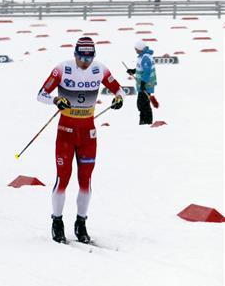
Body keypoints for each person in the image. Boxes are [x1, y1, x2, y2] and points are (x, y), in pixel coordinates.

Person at [37, 36, 125, 244]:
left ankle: (81, 223)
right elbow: (41, 94)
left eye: (89, 57)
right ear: (74, 54)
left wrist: (118, 98)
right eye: (81, 57)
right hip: (65, 134)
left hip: (88, 135)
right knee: (63, 179)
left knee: (85, 182)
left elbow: (119, 90)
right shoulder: (62, 70)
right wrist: (56, 100)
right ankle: (57, 222)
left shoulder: (100, 69)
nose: (85, 62)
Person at [126, 40, 157, 125]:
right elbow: (142, 69)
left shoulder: (145, 57)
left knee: (142, 104)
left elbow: (147, 72)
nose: (135, 51)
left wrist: (143, 83)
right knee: (143, 104)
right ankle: (144, 121)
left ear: (140, 49)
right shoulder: (142, 56)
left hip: (146, 84)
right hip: (144, 84)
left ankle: (146, 122)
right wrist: (133, 71)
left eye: (136, 49)